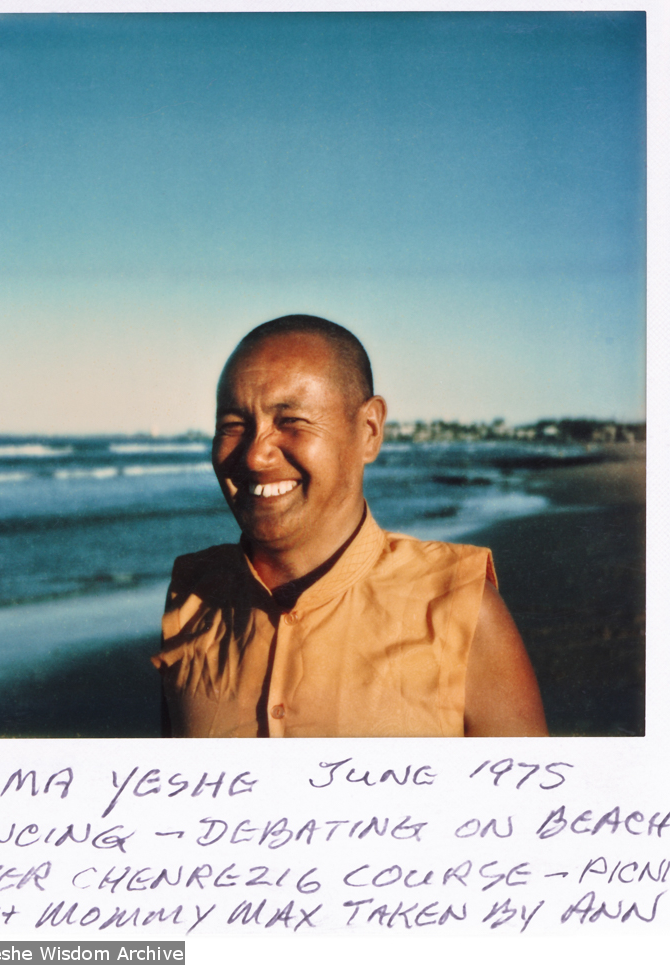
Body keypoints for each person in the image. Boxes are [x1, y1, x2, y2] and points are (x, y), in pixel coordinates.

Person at [152, 315, 548, 738]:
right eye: (233, 426)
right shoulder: (193, 600)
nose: (254, 456)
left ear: (369, 431)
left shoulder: (461, 609)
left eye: (291, 421)